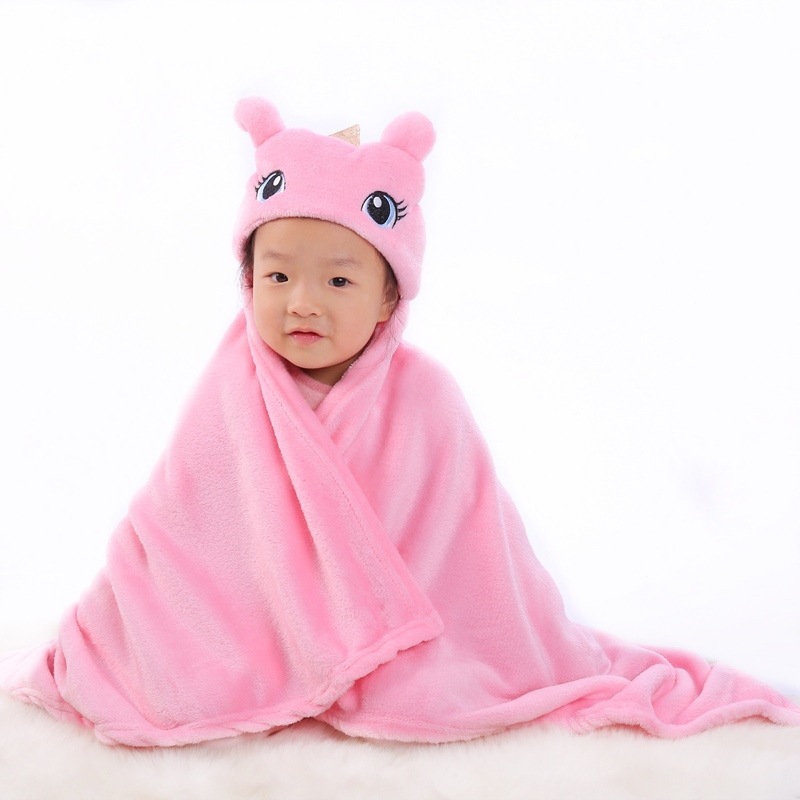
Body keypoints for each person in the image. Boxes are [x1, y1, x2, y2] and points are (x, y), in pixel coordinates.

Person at [1, 98, 798, 747]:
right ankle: (264, 663)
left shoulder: (428, 402)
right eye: (277, 276)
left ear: (389, 297)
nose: (302, 302)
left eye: (338, 281)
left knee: (450, 677)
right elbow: (179, 528)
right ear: (247, 279)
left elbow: (472, 551)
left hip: (417, 651)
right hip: (251, 631)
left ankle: (378, 668)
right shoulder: (231, 393)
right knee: (158, 660)